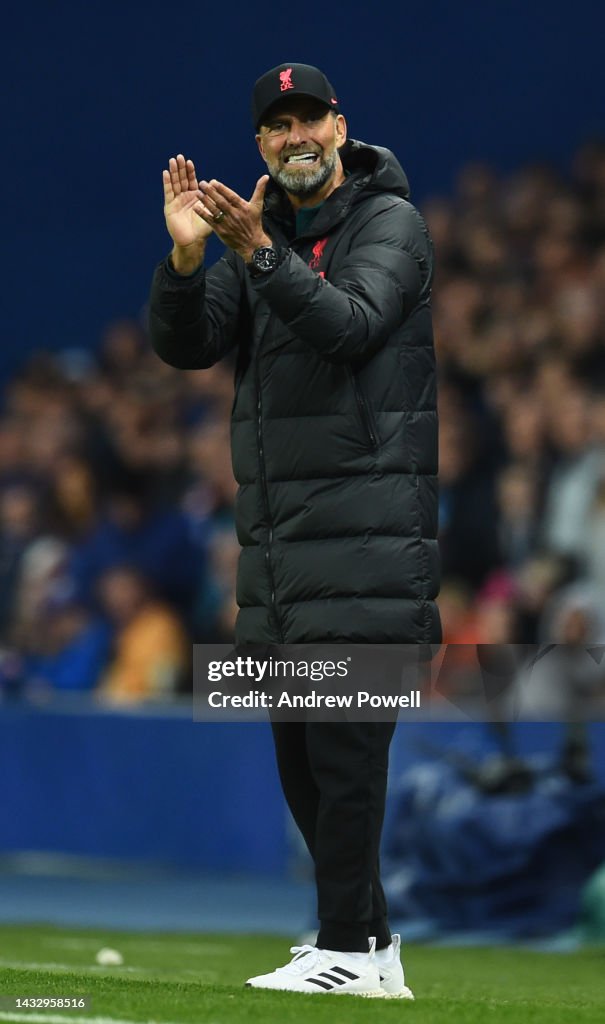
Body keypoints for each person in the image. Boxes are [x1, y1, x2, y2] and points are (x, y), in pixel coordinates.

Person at [149, 62, 440, 998]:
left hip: (368, 546)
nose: (293, 136)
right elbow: (188, 347)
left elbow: (352, 326)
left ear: (340, 126)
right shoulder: (254, 235)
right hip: (277, 553)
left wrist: (259, 249)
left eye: (307, 117)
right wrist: (192, 258)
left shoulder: (388, 220)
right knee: (302, 763)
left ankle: (345, 950)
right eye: (276, 126)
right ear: (262, 143)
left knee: (346, 756)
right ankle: (373, 949)